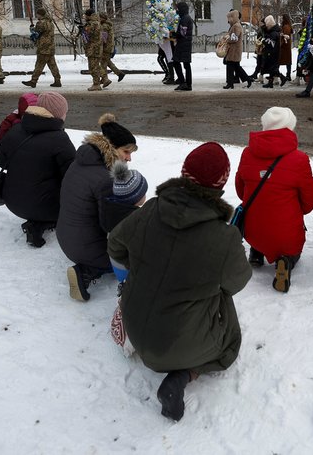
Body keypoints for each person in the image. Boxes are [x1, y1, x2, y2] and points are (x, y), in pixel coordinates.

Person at [108, 142, 252, 422]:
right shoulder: (224, 237)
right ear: (220, 186)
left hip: (135, 327)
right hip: (177, 346)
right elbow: (236, 283)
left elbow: (115, 244)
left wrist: (142, 267)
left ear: (183, 174)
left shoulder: (150, 209)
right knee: (229, 334)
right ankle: (185, 375)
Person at [235, 107, 313, 293]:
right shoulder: (299, 159)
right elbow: (310, 201)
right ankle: (286, 261)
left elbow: (241, 192)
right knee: (291, 247)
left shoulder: (247, 153)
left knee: (259, 220)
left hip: (253, 231)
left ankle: (256, 252)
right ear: (290, 128)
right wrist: (295, 210)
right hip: (286, 234)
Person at [57, 113, 138, 300]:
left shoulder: (81, 161)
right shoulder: (104, 179)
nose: (129, 159)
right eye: (126, 152)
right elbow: (112, 226)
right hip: (84, 247)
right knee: (131, 256)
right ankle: (86, 272)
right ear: (113, 148)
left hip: (66, 235)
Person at [0, 91, 75, 247]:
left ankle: (37, 220)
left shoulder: (15, 130)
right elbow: (73, 175)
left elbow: (1, 162)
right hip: (45, 207)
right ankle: (39, 224)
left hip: (12, 201)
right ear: (57, 114)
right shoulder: (59, 139)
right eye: (65, 112)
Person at [101, 160, 149, 286]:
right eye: (143, 192)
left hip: (115, 263)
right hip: (126, 268)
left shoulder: (110, 208)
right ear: (135, 197)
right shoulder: (133, 220)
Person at [22, 8, 62, 88]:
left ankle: (33, 81)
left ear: (40, 14)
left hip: (43, 47)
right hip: (50, 47)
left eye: (37, 14)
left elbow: (36, 33)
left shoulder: (41, 23)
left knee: (39, 65)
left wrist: (32, 29)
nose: (36, 15)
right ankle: (57, 80)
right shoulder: (50, 23)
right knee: (52, 65)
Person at [223, 9, 252, 89]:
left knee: (231, 66)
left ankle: (230, 83)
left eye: (229, 18)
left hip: (234, 50)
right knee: (236, 67)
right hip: (234, 50)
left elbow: (234, 38)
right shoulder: (236, 25)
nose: (228, 20)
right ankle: (246, 80)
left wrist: (227, 40)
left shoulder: (236, 26)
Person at [171, 2, 193, 91]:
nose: (177, 10)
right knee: (186, 64)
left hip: (183, 45)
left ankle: (183, 82)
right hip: (186, 44)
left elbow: (182, 33)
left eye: (178, 9)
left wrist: (173, 34)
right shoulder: (187, 18)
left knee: (176, 62)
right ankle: (188, 84)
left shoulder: (184, 19)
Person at [259, 16, 286, 87]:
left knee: (273, 68)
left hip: (273, 53)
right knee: (272, 68)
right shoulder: (274, 31)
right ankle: (270, 83)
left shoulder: (274, 33)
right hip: (273, 52)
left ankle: (283, 77)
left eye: (267, 25)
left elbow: (270, 43)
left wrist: (264, 41)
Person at [100, 12, 125, 86]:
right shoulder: (107, 25)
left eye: (99, 18)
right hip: (109, 47)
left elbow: (102, 38)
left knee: (103, 64)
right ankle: (119, 73)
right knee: (107, 62)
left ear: (103, 18)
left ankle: (105, 80)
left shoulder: (104, 26)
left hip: (106, 48)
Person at [84, 9, 106, 91]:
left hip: (94, 48)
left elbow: (88, 33)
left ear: (89, 15)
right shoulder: (95, 22)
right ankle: (101, 80)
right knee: (94, 67)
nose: (84, 17)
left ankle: (96, 84)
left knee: (94, 67)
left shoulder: (93, 24)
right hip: (94, 48)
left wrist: (84, 28)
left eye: (85, 15)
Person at [279, 14, 294, 81]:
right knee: (287, 62)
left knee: (280, 61)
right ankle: (288, 75)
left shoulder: (286, 26)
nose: (281, 19)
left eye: (282, 18)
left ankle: (286, 75)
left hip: (284, 47)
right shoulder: (287, 26)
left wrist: (280, 42)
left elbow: (285, 36)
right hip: (286, 47)